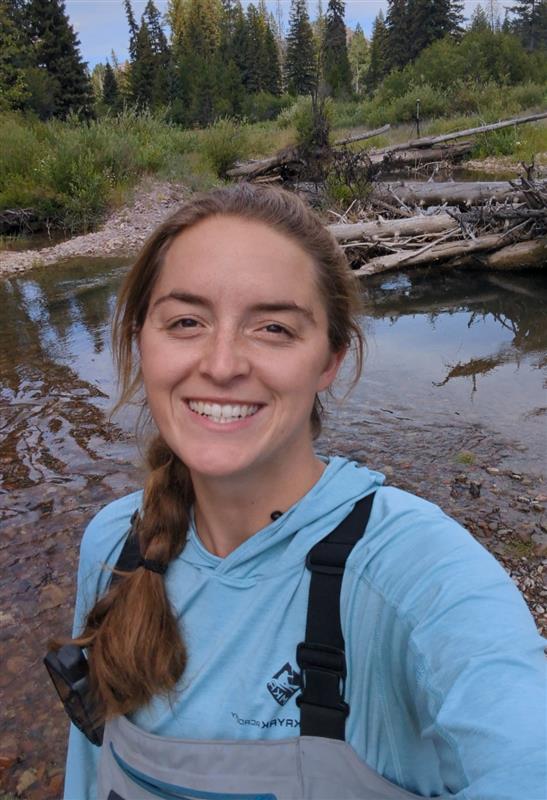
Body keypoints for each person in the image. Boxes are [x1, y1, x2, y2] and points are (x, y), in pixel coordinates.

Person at [62, 184, 545, 800]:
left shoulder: (413, 568)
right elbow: (86, 764)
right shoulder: (111, 545)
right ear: (140, 340)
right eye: (186, 322)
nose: (222, 363)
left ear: (329, 361)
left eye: (273, 328)